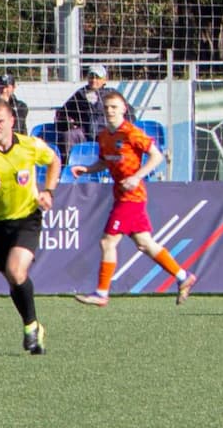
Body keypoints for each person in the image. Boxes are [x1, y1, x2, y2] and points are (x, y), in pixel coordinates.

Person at [0, 98, 62, 355]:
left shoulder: (29, 146)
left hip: (28, 217)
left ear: (11, 121)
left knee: (16, 272)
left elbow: (54, 161)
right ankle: (35, 326)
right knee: (13, 279)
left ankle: (29, 327)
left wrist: (48, 191)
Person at [74, 90, 194, 307]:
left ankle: (102, 293)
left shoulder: (131, 133)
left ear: (123, 109)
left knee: (107, 241)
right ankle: (183, 277)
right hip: (121, 196)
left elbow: (157, 155)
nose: (110, 110)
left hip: (132, 197)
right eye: (107, 107)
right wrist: (87, 169)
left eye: (114, 107)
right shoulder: (103, 136)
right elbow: (104, 162)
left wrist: (136, 177)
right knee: (145, 243)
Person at [54, 65, 109, 149]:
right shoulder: (80, 94)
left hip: (105, 131)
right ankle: (68, 161)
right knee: (69, 135)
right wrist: (70, 122)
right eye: (91, 77)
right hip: (83, 132)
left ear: (104, 80)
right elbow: (62, 113)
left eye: (97, 77)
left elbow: (128, 113)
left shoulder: (111, 94)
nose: (94, 80)